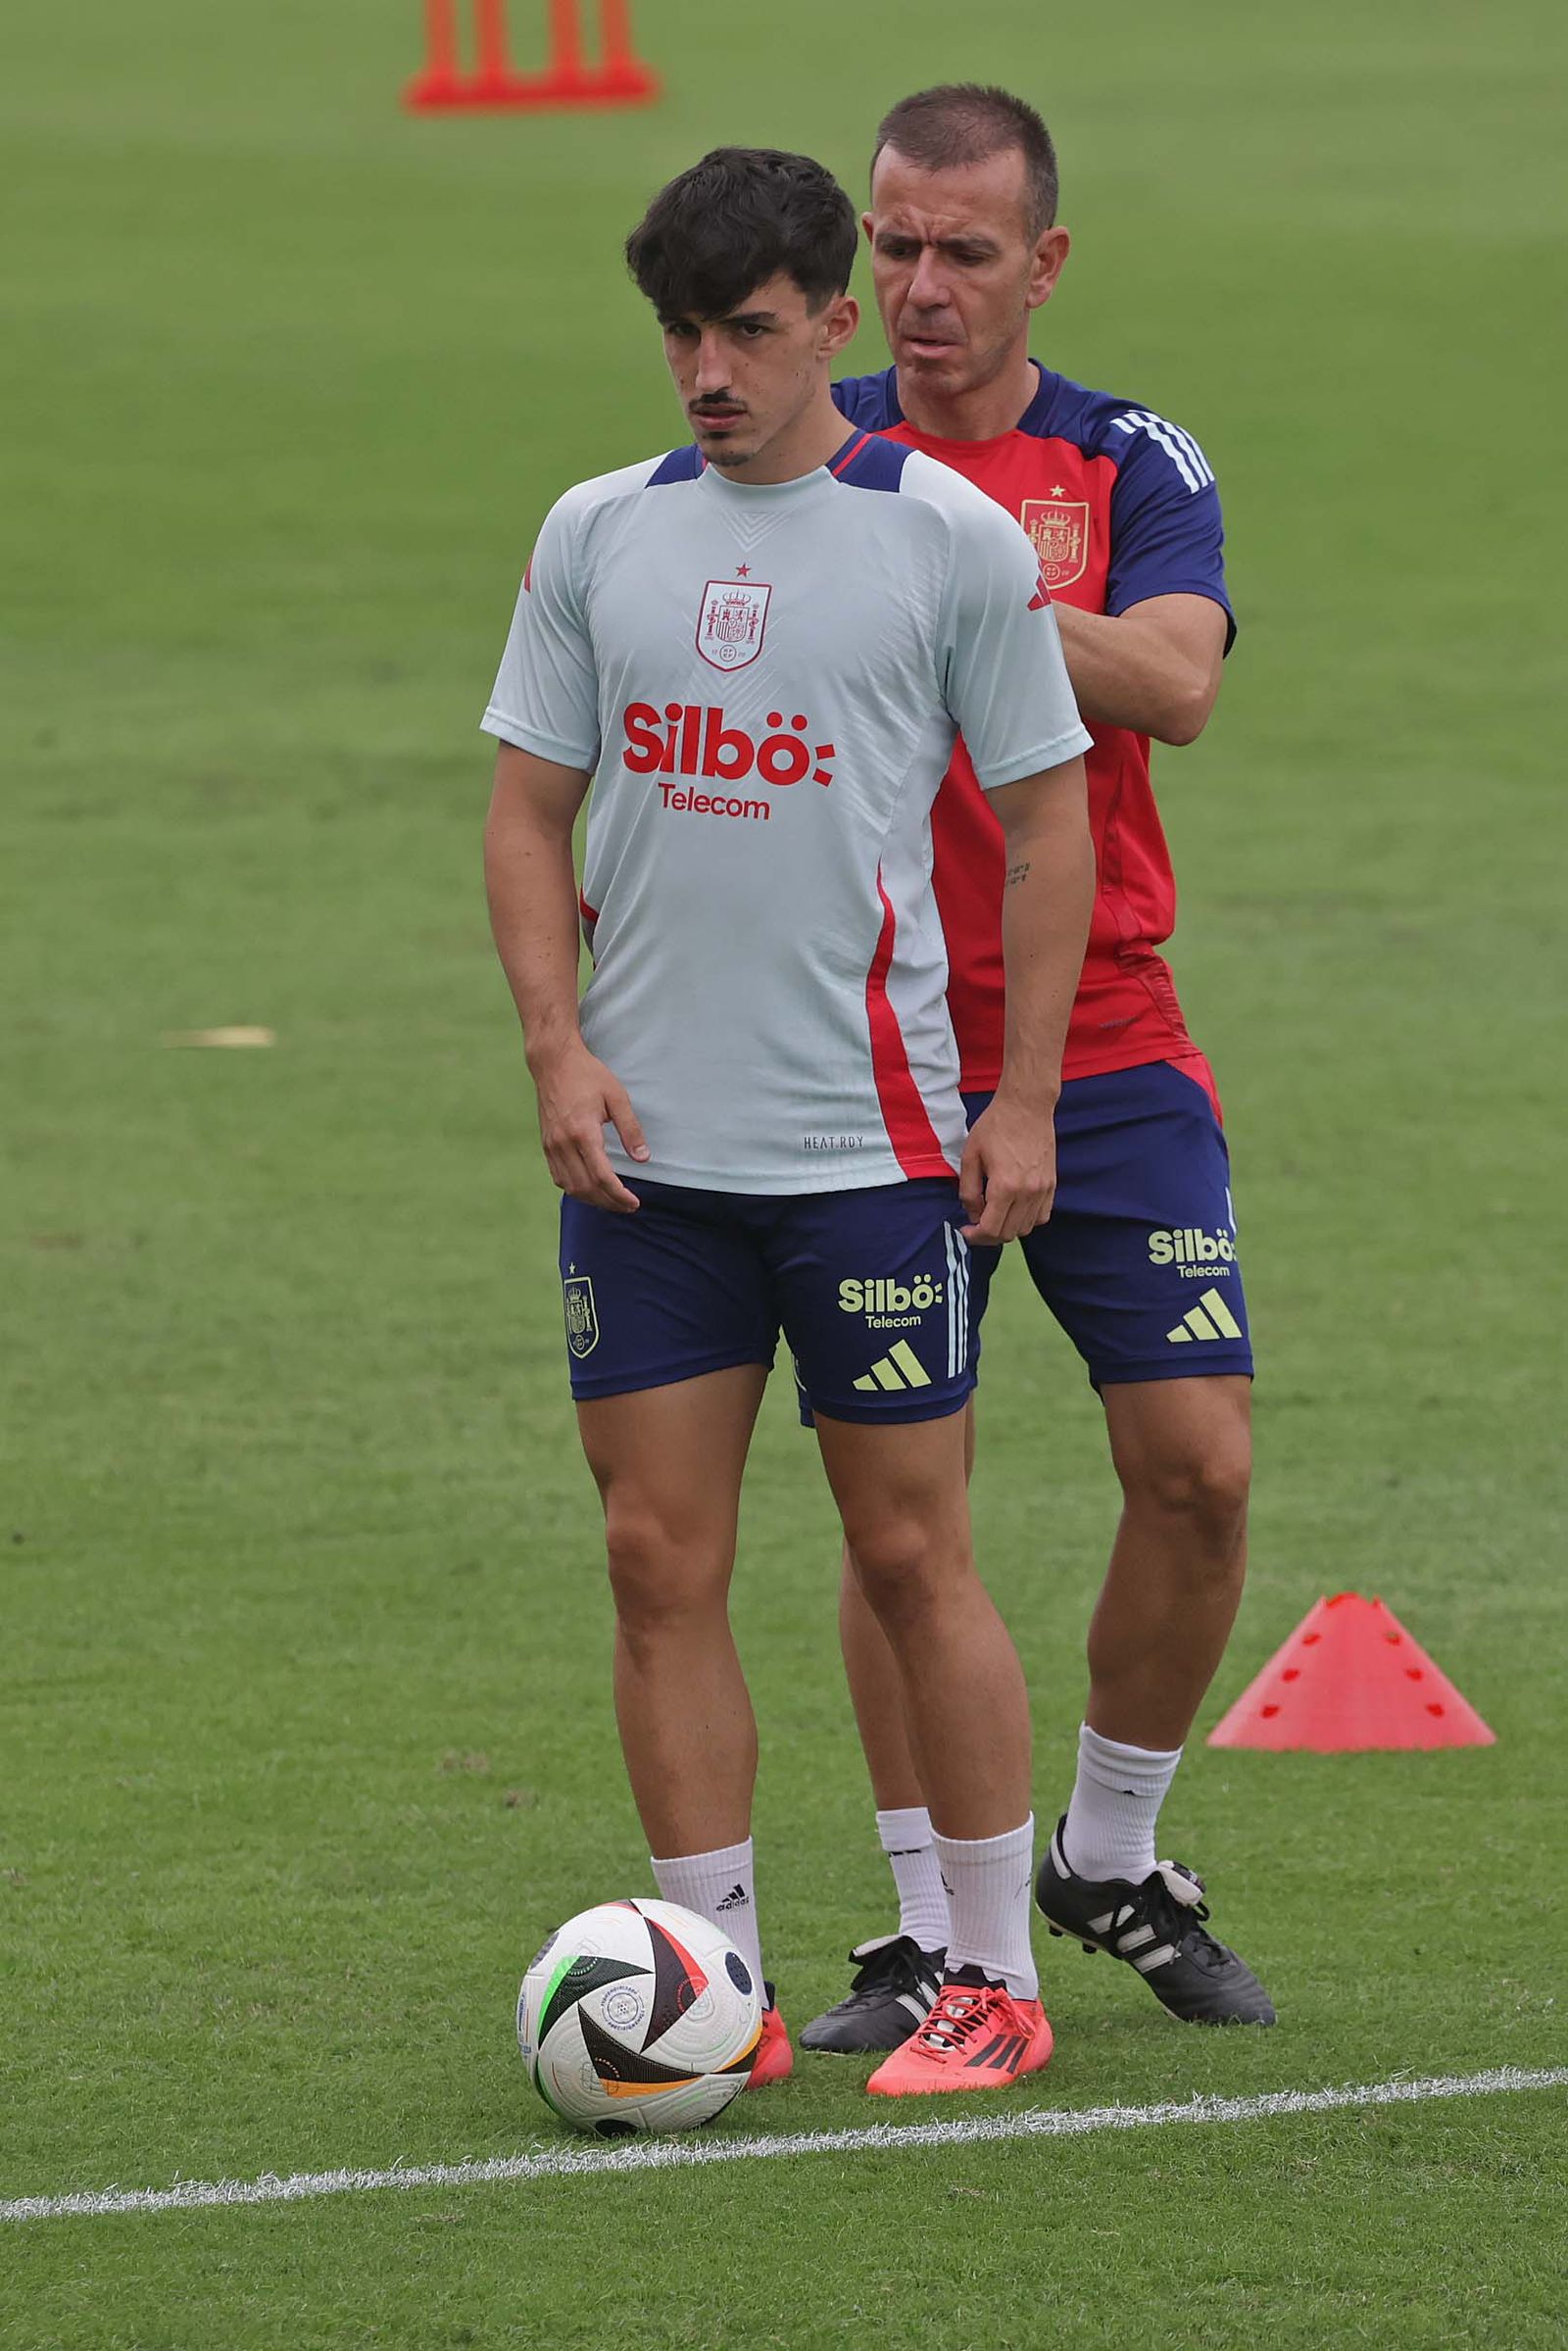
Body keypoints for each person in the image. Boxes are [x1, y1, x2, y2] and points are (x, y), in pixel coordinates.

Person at [481, 147, 1095, 2096]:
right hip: (646, 1165)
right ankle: (712, 1989)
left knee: (911, 1558)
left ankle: (990, 1976)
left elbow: (1051, 822)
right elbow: (523, 811)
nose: (707, 373)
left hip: (871, 1156)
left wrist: (1019, 1099)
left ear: (833, 321)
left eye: (746, 332)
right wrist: (554, 1054)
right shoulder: (592, 533)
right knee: (654, 1560)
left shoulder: (943, 542)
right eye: (679, 333)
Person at [800, 85, 1275, 2054]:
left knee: (1198, 1466)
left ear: (1040, 263)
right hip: (872, 1047)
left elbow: (1174, 678)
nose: (917, 288)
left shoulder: (1117, 453)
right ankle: (924, 1926)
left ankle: (1105, 1853)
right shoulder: (787, 460)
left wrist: (952, 570)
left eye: (959, 252)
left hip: (1104, 1040)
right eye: (890, 248)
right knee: (902, 1519)